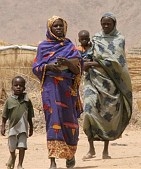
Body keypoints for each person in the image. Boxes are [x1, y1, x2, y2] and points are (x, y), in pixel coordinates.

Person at [32, 16, 83, 169]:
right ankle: (52, 159)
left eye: (61, 26)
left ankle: (70, 155)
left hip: (67, 90)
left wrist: (67, 63)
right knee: (53, 120)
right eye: (55, 26)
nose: (59, 29)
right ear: (50, 29)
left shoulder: (70, 47)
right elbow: (35, 68)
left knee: (70, 121)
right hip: (50, 89)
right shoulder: (43, 47)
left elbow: (78, 69)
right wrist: (48, 68)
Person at [82, 12, 133, 160]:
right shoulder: (96, 39)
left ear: (114, 24)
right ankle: (91, 149)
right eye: (103, 23)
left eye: (108, 24)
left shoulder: (119, 39)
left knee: (107, 116)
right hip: (93, 81)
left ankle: (105, 150)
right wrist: (85, 62)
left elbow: (116, 62)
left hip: (111, 83)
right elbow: (89, 55)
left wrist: (91, 63)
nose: (105, 26)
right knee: (89, 112)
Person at [1, 76, 34, 169]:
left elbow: (30, 116)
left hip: (23, 128)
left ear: (24, 88)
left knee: (22, 146)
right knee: (12, 147)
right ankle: (12, 156)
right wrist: (3, 126)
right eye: (16, 85)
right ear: (12, 87)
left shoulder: (27, 101)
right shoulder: (9, 101)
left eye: (21, 85)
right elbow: (4, 115)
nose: (18, 87)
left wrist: (31, 127)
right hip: (12, 128)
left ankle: (20, 164)